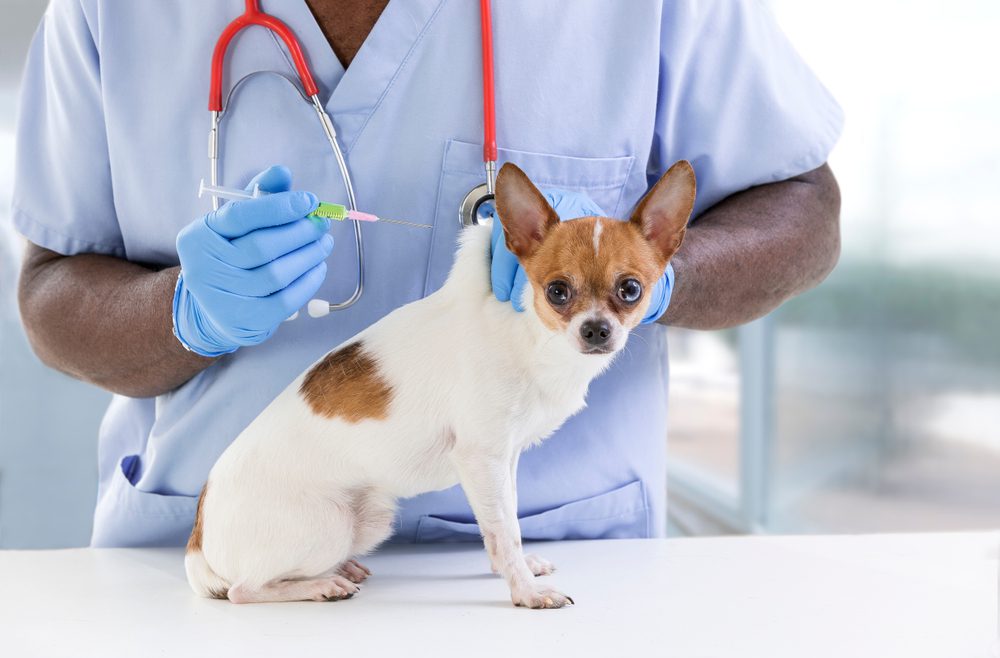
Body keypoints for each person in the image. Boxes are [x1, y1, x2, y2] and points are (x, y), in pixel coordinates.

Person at [12, 0, 841, 546]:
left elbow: (804, 207)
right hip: (234, 559)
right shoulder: (108, 13)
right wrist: (183, 312)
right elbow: (49, 291)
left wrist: (648, 276)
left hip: (562, 570)